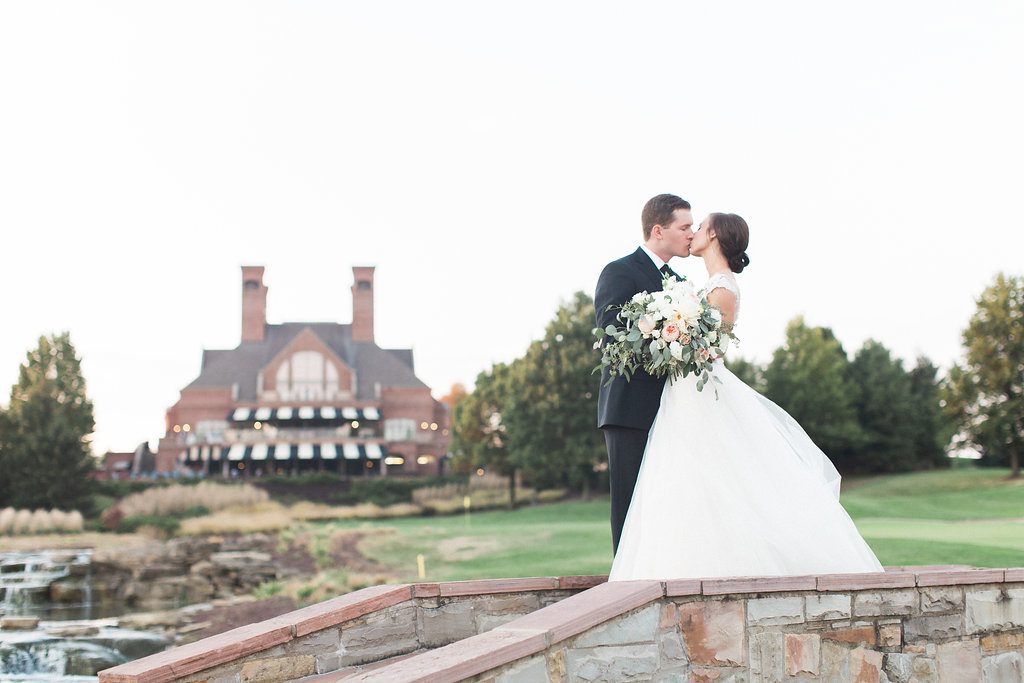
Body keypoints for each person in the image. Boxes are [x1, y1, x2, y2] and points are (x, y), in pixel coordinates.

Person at [608, 212, 883, 579]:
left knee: (714, 477)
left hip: (698, 390)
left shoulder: (722, 288)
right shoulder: (696, 285)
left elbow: (712, 350)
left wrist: (673, 336)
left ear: (716, 235)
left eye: (699, 227)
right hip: (680, 393)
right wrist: (668, 333)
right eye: (687, 226)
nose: (693, 233)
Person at [595, 193, 694, 553]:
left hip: (672, 406)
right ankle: (625, 581)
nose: (690, 234)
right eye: (684, 227)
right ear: (658, 230)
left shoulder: (679, 282)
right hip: (629, 407)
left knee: (665, 498)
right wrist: (663, 326)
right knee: (629, 498)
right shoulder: (620, 271)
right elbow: (610, 331)